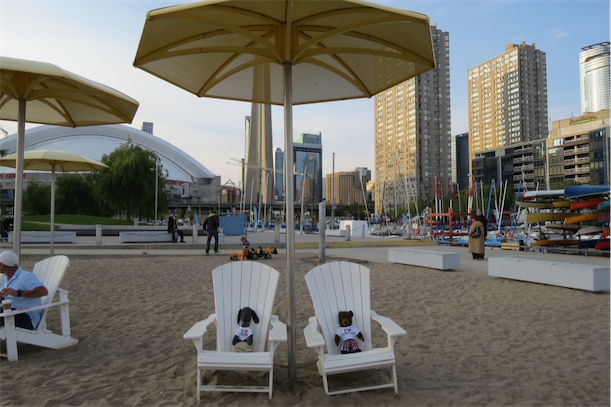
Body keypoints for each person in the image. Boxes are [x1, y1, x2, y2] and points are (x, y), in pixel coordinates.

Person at [0, 251, 49, 330]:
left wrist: (18, 293)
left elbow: (43, 291)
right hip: (10, 312)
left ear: (2, 266)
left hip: (26, 317)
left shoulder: (25, 276)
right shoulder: (5, 279)